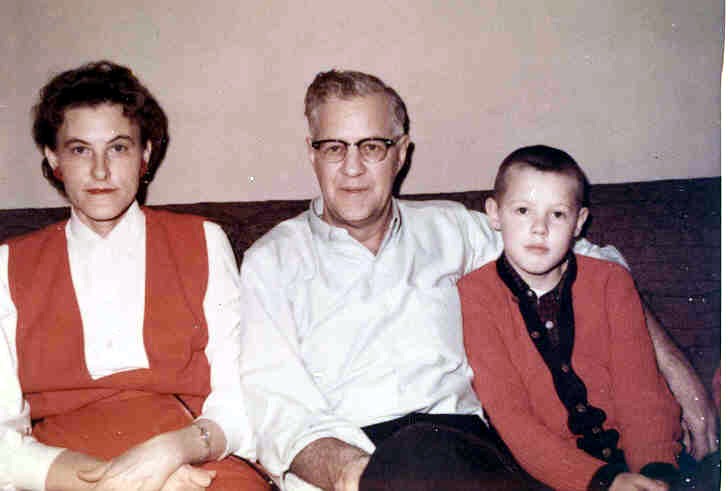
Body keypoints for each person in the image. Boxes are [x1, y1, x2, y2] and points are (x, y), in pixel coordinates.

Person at [237, 69, 716, 490]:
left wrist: (676, 370)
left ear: (401, 153)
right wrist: (357, 473)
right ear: (312, 154)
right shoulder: (273, 261)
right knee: (417, 457)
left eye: (372, 146)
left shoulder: (449, 228)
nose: (353, 167)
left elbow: (587, 264)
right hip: (351, 457)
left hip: (466, 447)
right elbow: (276, 405)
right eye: (334, 148)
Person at [0, 61, 269, 491]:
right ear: (53, 159)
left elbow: (240, 394)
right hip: (62, 470)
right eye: (80, 150)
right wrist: (108, 483)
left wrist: (172, 452)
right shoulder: (9, 264)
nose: (100, 171)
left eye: (119, 148)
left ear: (145, 155)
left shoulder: (202, 240)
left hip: (192, 454)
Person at [458, 145, 682, 491]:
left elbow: (642, 392)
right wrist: (603, 482)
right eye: (523, 210)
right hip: (549, 474)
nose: (539, 228)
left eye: (558, 214)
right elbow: (511, 417)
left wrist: (654, 472)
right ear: (495, 214)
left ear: (578, 222)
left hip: (638, 463)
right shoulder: (475, 295)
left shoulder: (611, 282)